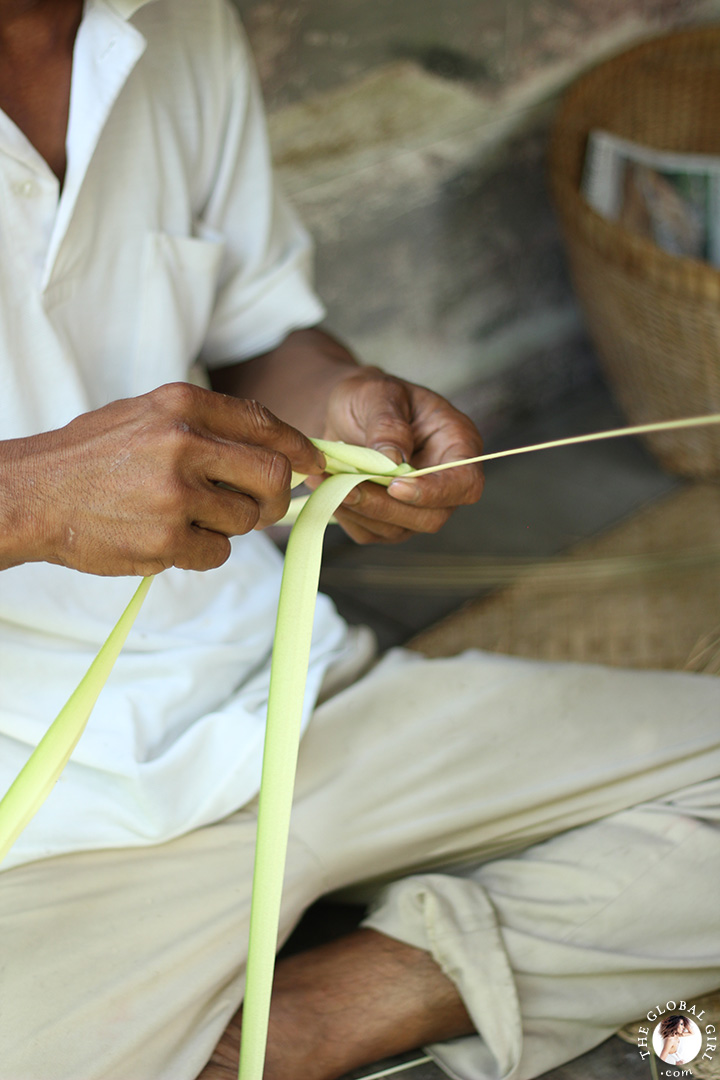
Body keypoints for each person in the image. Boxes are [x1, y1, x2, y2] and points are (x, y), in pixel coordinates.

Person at [0, 3, 719, 1080]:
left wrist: (342, 404)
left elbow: (257, 334)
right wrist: (30, 499)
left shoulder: (176, 25)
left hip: (290, 697)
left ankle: (335, 1005)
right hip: (39, 836)